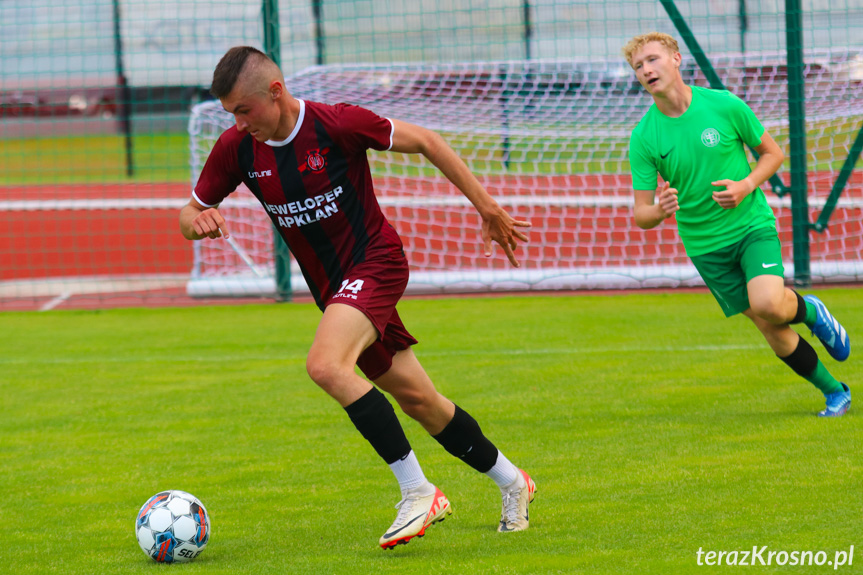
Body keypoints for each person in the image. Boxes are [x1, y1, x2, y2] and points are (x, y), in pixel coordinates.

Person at [179, 46, 536, 549]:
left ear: (275, 92)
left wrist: (487, 208)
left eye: (244, 109)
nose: (239, 122)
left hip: (377, 263)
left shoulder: (337, 124)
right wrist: (198, 222)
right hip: (335, 292)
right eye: (231, 114)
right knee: (419, 400)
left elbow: (428, 141)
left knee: (325, 365)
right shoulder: (237, 148)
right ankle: (513, 482)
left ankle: (418, 492)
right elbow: (187, 213)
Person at [623, 32, 851, 416]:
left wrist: (746, 185)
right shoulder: (644, 137)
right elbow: (641, 213)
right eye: (638, 66)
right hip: (705, 247)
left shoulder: (723, 104)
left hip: (750, 227)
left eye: (652, 59)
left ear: (676, 59)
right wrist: (661, 209)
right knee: (769, 325)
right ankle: (834, 392)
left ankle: (811, 312)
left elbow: (772, 154)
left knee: (768, 303)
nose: (646, 70)